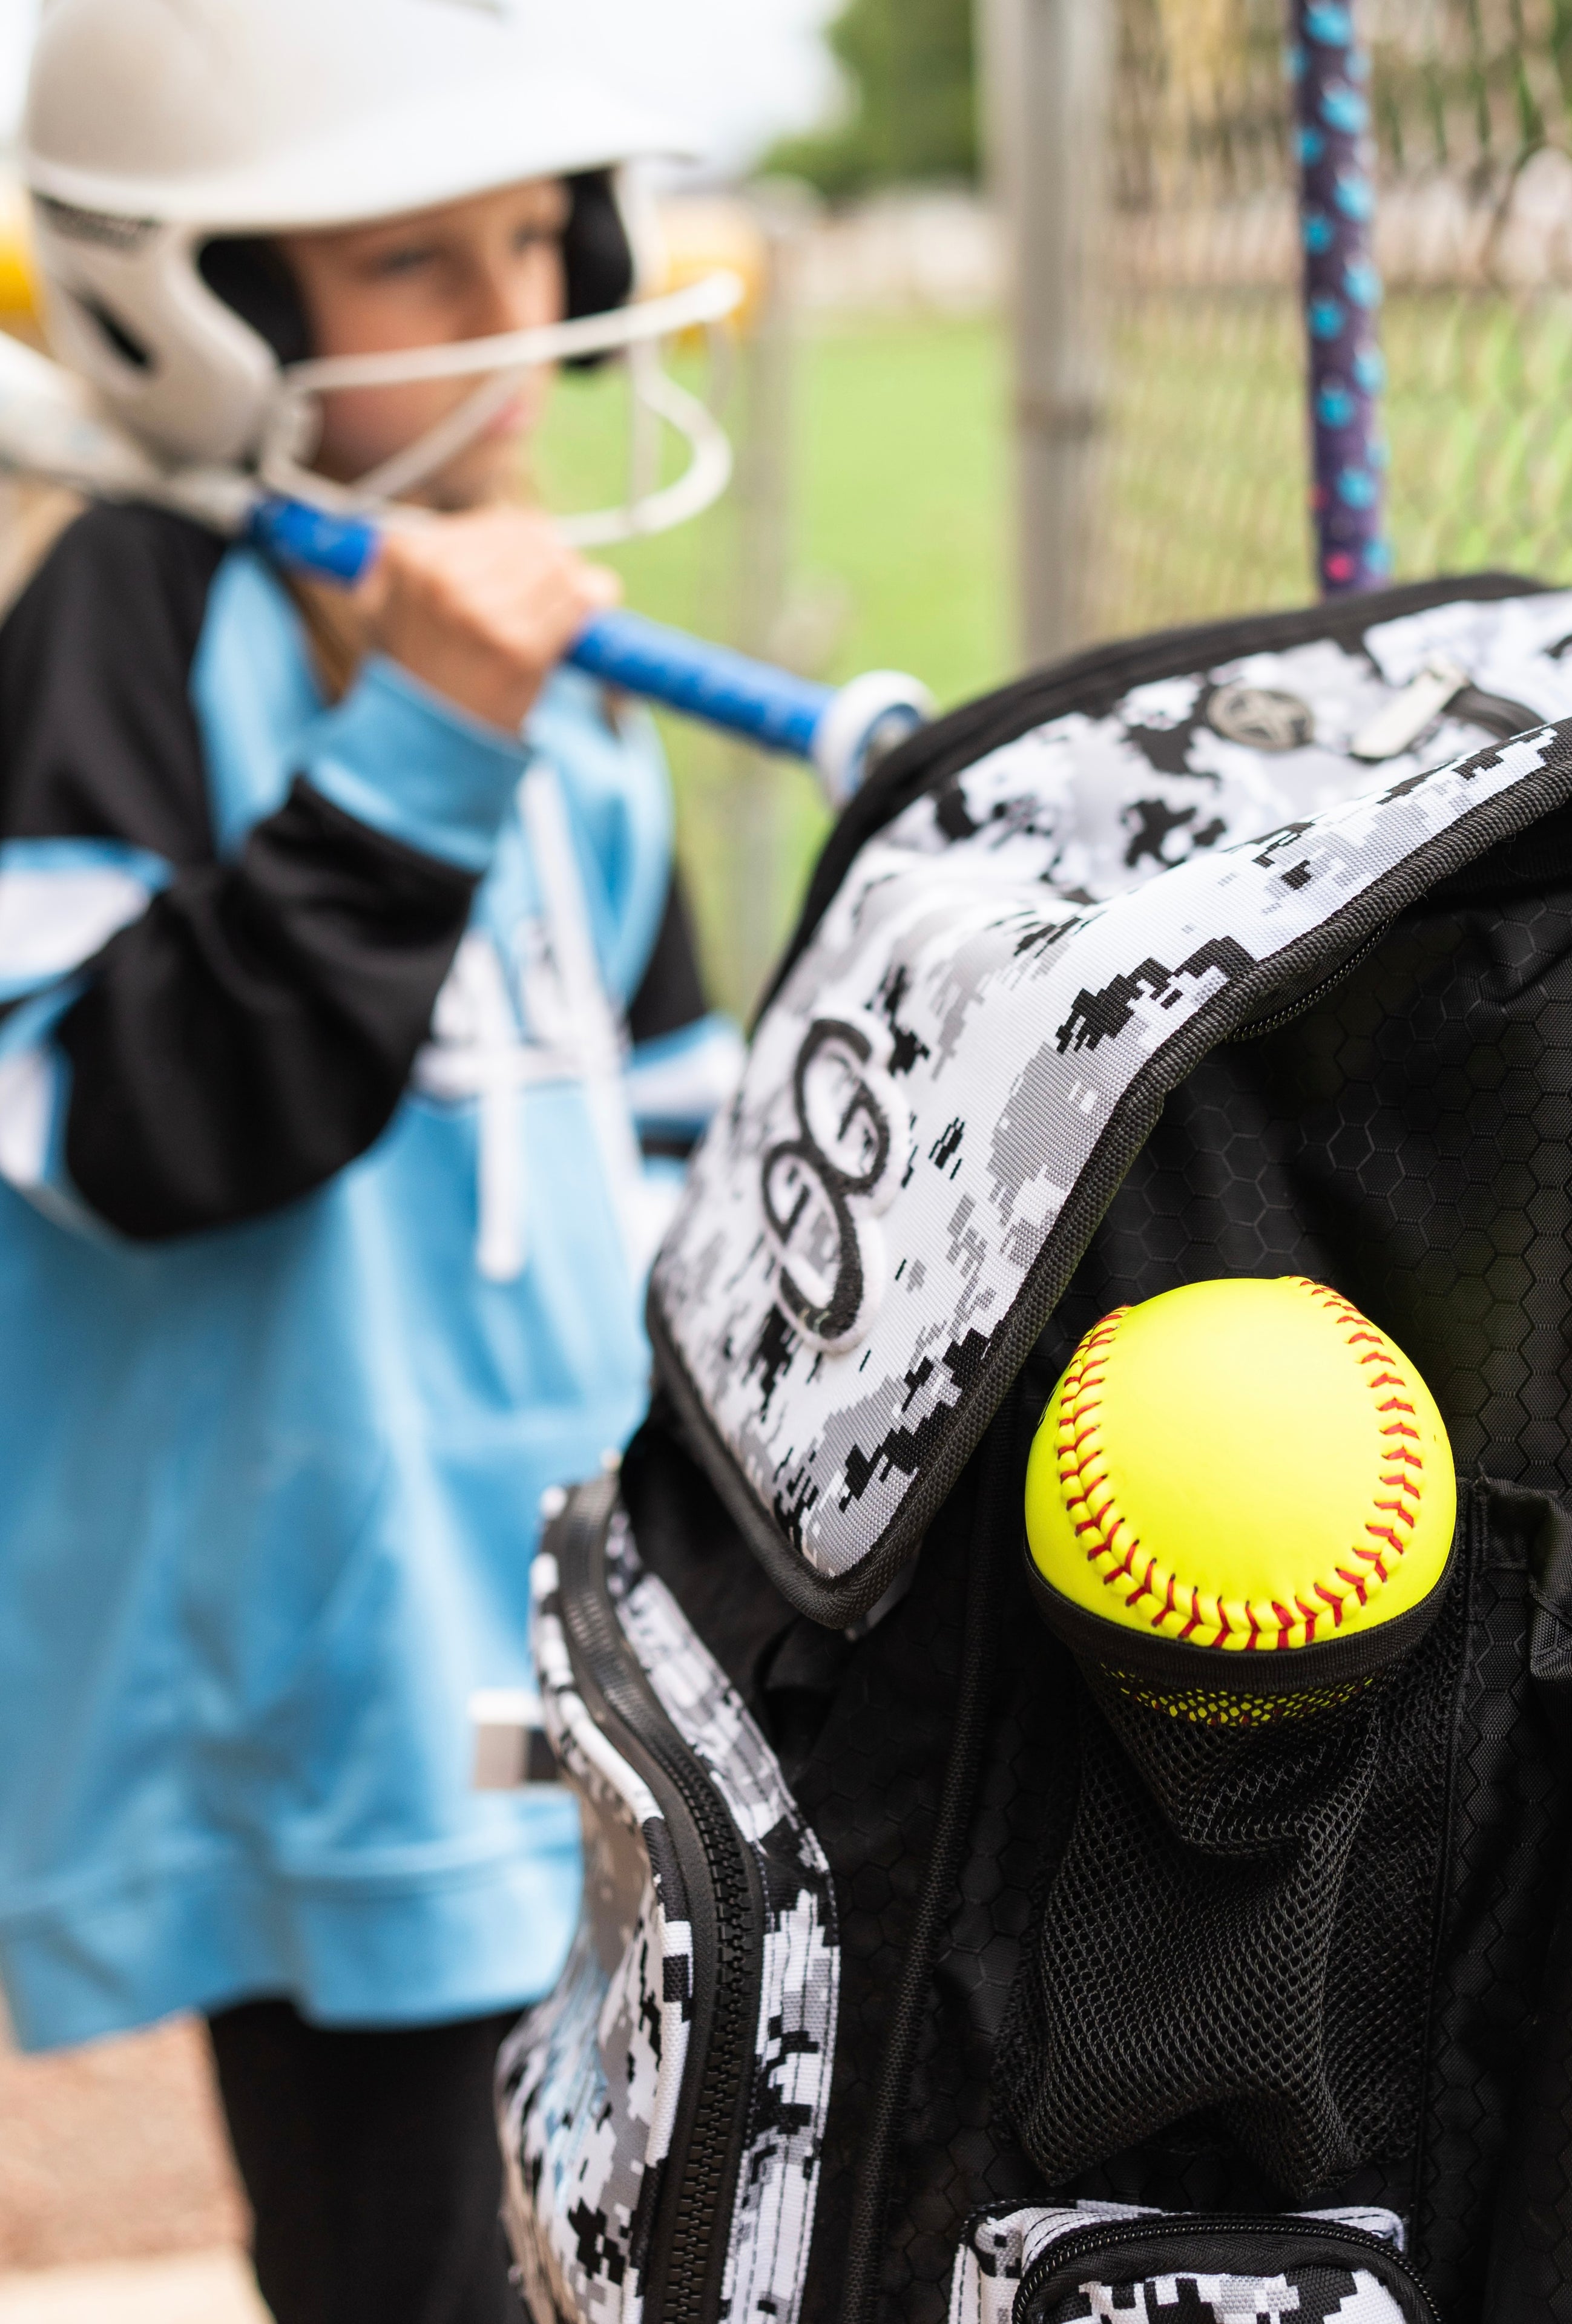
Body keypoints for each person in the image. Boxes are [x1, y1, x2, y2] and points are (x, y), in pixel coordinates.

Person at [0, 3, 746, 2315]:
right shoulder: (130, 617)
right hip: (326, 1682)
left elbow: (671, 1165)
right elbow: (142, 1129)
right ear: (206, 313)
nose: (524, 315)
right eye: (420, 263)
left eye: (537, 239)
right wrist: (418, 749)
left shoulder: (562, 664)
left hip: (579, 1663)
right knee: (417, 2265)